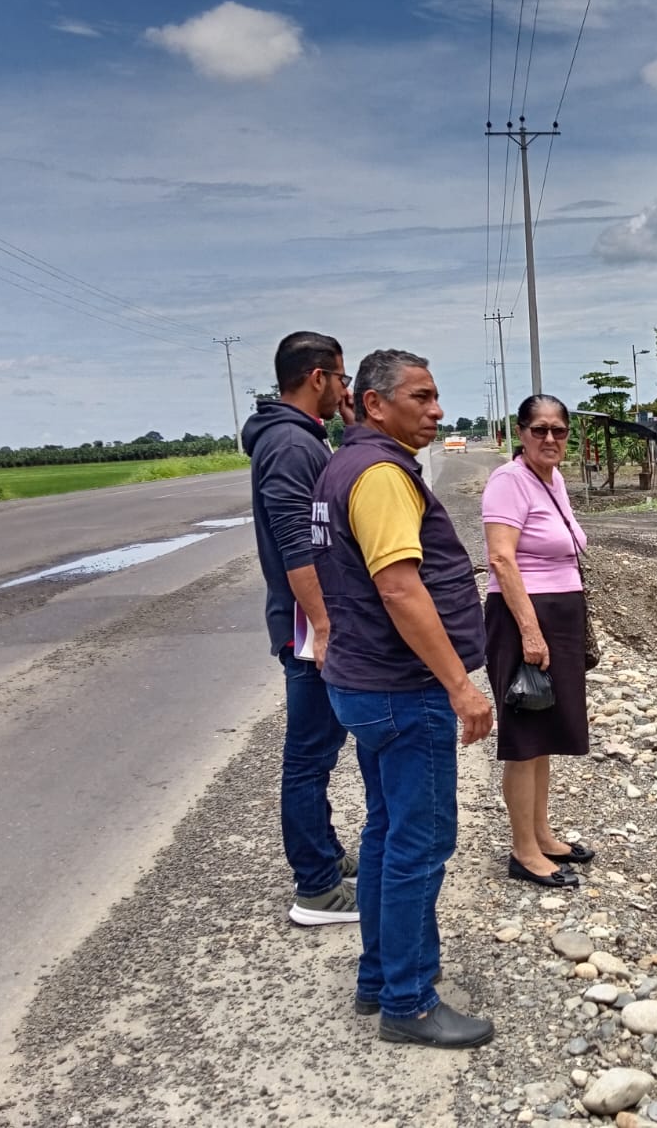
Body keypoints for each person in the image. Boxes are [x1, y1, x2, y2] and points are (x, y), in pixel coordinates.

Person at [311, 348, 495, 1049]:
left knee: (387, 832)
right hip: (401, 687)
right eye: (420, 396)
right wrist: (459, 685)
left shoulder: (344, 466)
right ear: (374, 403)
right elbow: (398, 587)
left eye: (435, 395)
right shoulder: (382, 475)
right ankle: (409, 1002)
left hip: (364, 681)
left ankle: (379, 976)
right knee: (420, 842)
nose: (436, 410)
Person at [241, 331, 360, 928]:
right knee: (309, 758)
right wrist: (324, 627)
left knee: (320, 752)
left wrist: (350, 428)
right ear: (317, 377)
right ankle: (316, 889)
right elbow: (297, 544)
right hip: (308, 628)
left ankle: (327, 856)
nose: (345, 389)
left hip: (312, 624)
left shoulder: (303, 435)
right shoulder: (291, 444)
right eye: (341, 378)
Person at [481, 395, 593, 889]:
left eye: (558, 430)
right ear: (521, 433)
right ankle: (523, 851)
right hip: (522, 616)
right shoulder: (508, 481)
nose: (550, 438)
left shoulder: (554, 478)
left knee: (544, 730)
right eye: (539, 429)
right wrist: (530, 630)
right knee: (525, 736)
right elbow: (501, 559)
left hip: (557, 616)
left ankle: (542, 834)